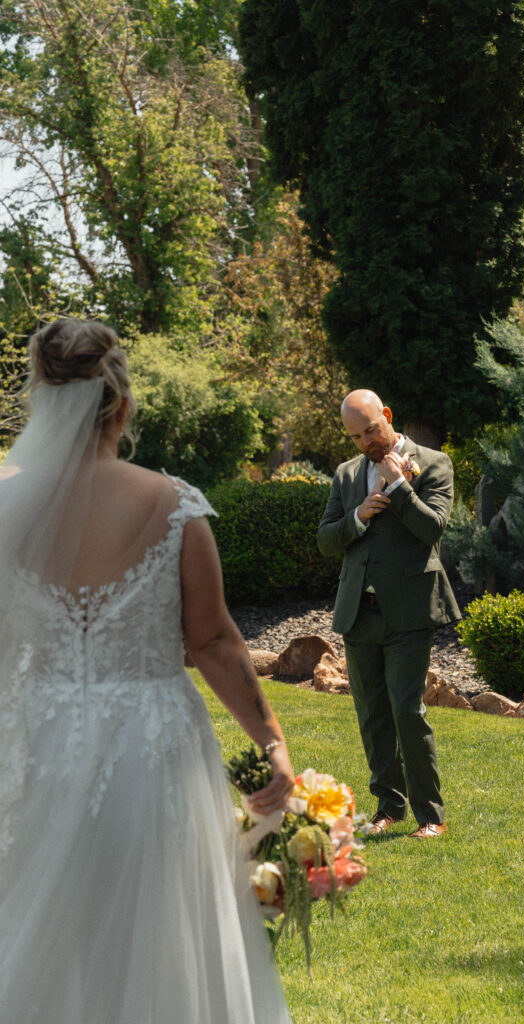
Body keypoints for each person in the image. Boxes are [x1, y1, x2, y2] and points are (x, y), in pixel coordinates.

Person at [0, 319, 294, 1024]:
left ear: (42, 399)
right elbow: (214, 642)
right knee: (157, 927)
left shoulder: (5, 508)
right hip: (148, 741)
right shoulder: (171, 505)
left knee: (43, 920)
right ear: (122, 404)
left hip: (36, 740)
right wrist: (273, 744)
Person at [318, 389, 460, 838]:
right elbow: (326, 539)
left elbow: (431, 529)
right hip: (359, 610)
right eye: (356, 437)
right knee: (372, 711)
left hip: (411, 609)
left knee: (406, 710)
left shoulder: (434, 464)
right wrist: (357, 516)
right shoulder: (345, 475)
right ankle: (388, 807)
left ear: (388, 417)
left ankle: (430, 816)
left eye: (371, 430)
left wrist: (399, 487)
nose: (366, 443)